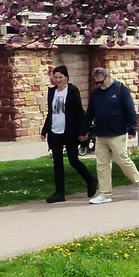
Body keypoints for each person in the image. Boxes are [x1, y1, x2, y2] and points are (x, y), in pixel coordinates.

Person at [84, 67, 139, 203]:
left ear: (108, 77)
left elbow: (130, 110)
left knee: (122, 160)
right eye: (97, 83)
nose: (99, 85)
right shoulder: (96, 93)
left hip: (118, 132)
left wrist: (131, 129)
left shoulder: (120, 89)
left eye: (101, 82)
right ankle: (105, 194)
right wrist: (84, 130)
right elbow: (90, 113)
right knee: (101, 164)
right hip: (101, 134)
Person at [40, 65, 96, 203]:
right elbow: (51, 112)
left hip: (69, 131)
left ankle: (91, 180)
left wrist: (83, 131)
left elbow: (79, 112)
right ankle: (60, 193)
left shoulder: (72, 90)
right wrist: (44, 130)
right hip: (55, 131)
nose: (58, 80)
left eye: (60, 77)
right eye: (55, 77)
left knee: (73, 160)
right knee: (57, 163)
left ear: (66, 78)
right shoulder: (52, 92)